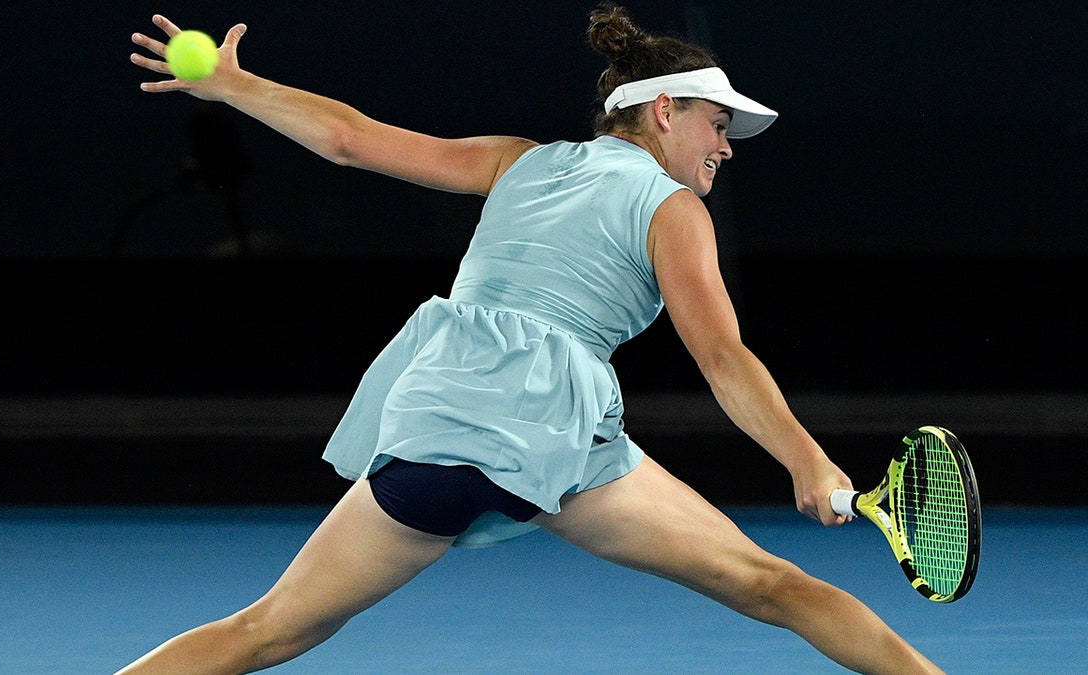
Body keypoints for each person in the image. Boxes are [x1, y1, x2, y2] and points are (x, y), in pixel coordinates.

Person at [122, 5, 943, 673]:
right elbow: (723, 356)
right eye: (716, 123)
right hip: (549, 430)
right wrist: (804, 457)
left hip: (443, 422)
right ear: (664, 110)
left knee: (265, 630)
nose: (726, 145)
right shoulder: (674, 208)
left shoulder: (518, 161)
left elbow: (348, 138)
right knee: (774, 586)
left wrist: (236, 86)